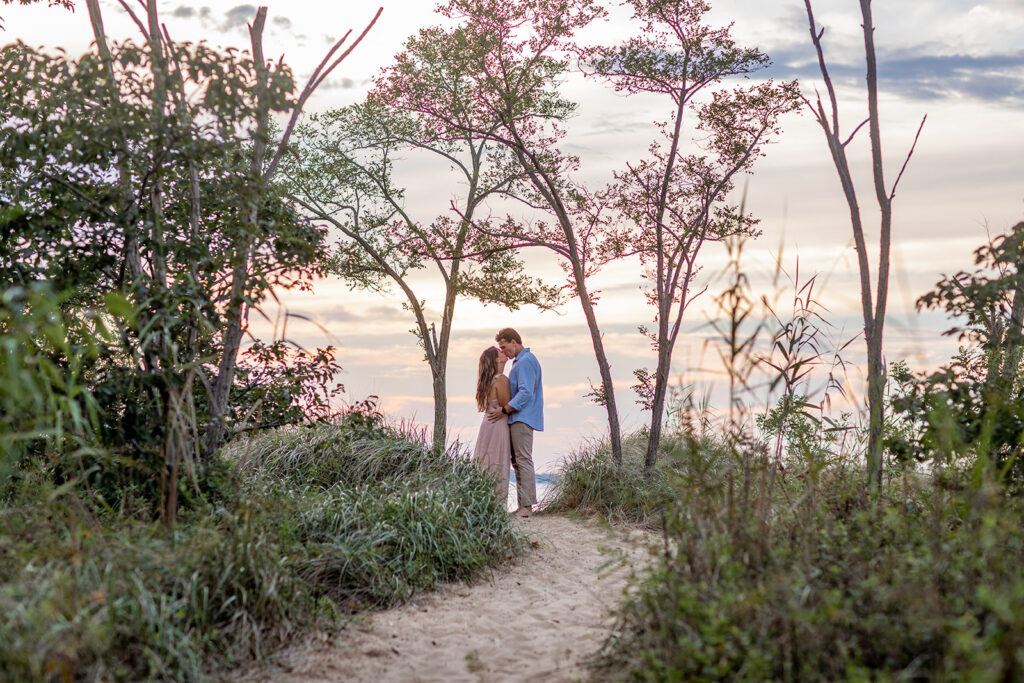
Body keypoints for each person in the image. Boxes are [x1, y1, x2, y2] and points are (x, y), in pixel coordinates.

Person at [486, 327, 542, 518]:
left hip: (522, 417)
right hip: (518, 417)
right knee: (518, 461)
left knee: (523, 459)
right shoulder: (520, 362)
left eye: (505, 347)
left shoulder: (525, 362)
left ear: (514, 342)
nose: (504, 352)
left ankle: (527, 507)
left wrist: (504, 409)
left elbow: (526, 392)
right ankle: (523, 506)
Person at [472, 346, 512, 503]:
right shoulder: (501, 379)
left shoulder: (488, 381)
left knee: (486, 462)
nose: (504, 352)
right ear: (497, 359)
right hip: (498, 425)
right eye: (500, 352)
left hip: (487, 425)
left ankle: (483, 500)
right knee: (497, 463)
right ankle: (496, 503)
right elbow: (507, 404)